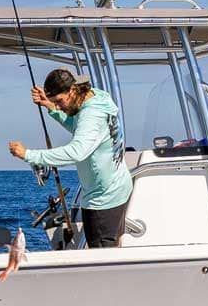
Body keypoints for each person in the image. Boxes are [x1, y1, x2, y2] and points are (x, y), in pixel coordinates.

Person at [8, 68, 133, 248]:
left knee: (102, 258)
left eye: (59, 101)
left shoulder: (91, 115)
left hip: (103, 200)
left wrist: (29, 155)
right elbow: (79, 128)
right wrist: (51, 107)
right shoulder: (96, 97)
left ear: (73, 90)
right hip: (117, 189)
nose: (59, 106)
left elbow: (77, 151)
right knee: (111, 252)